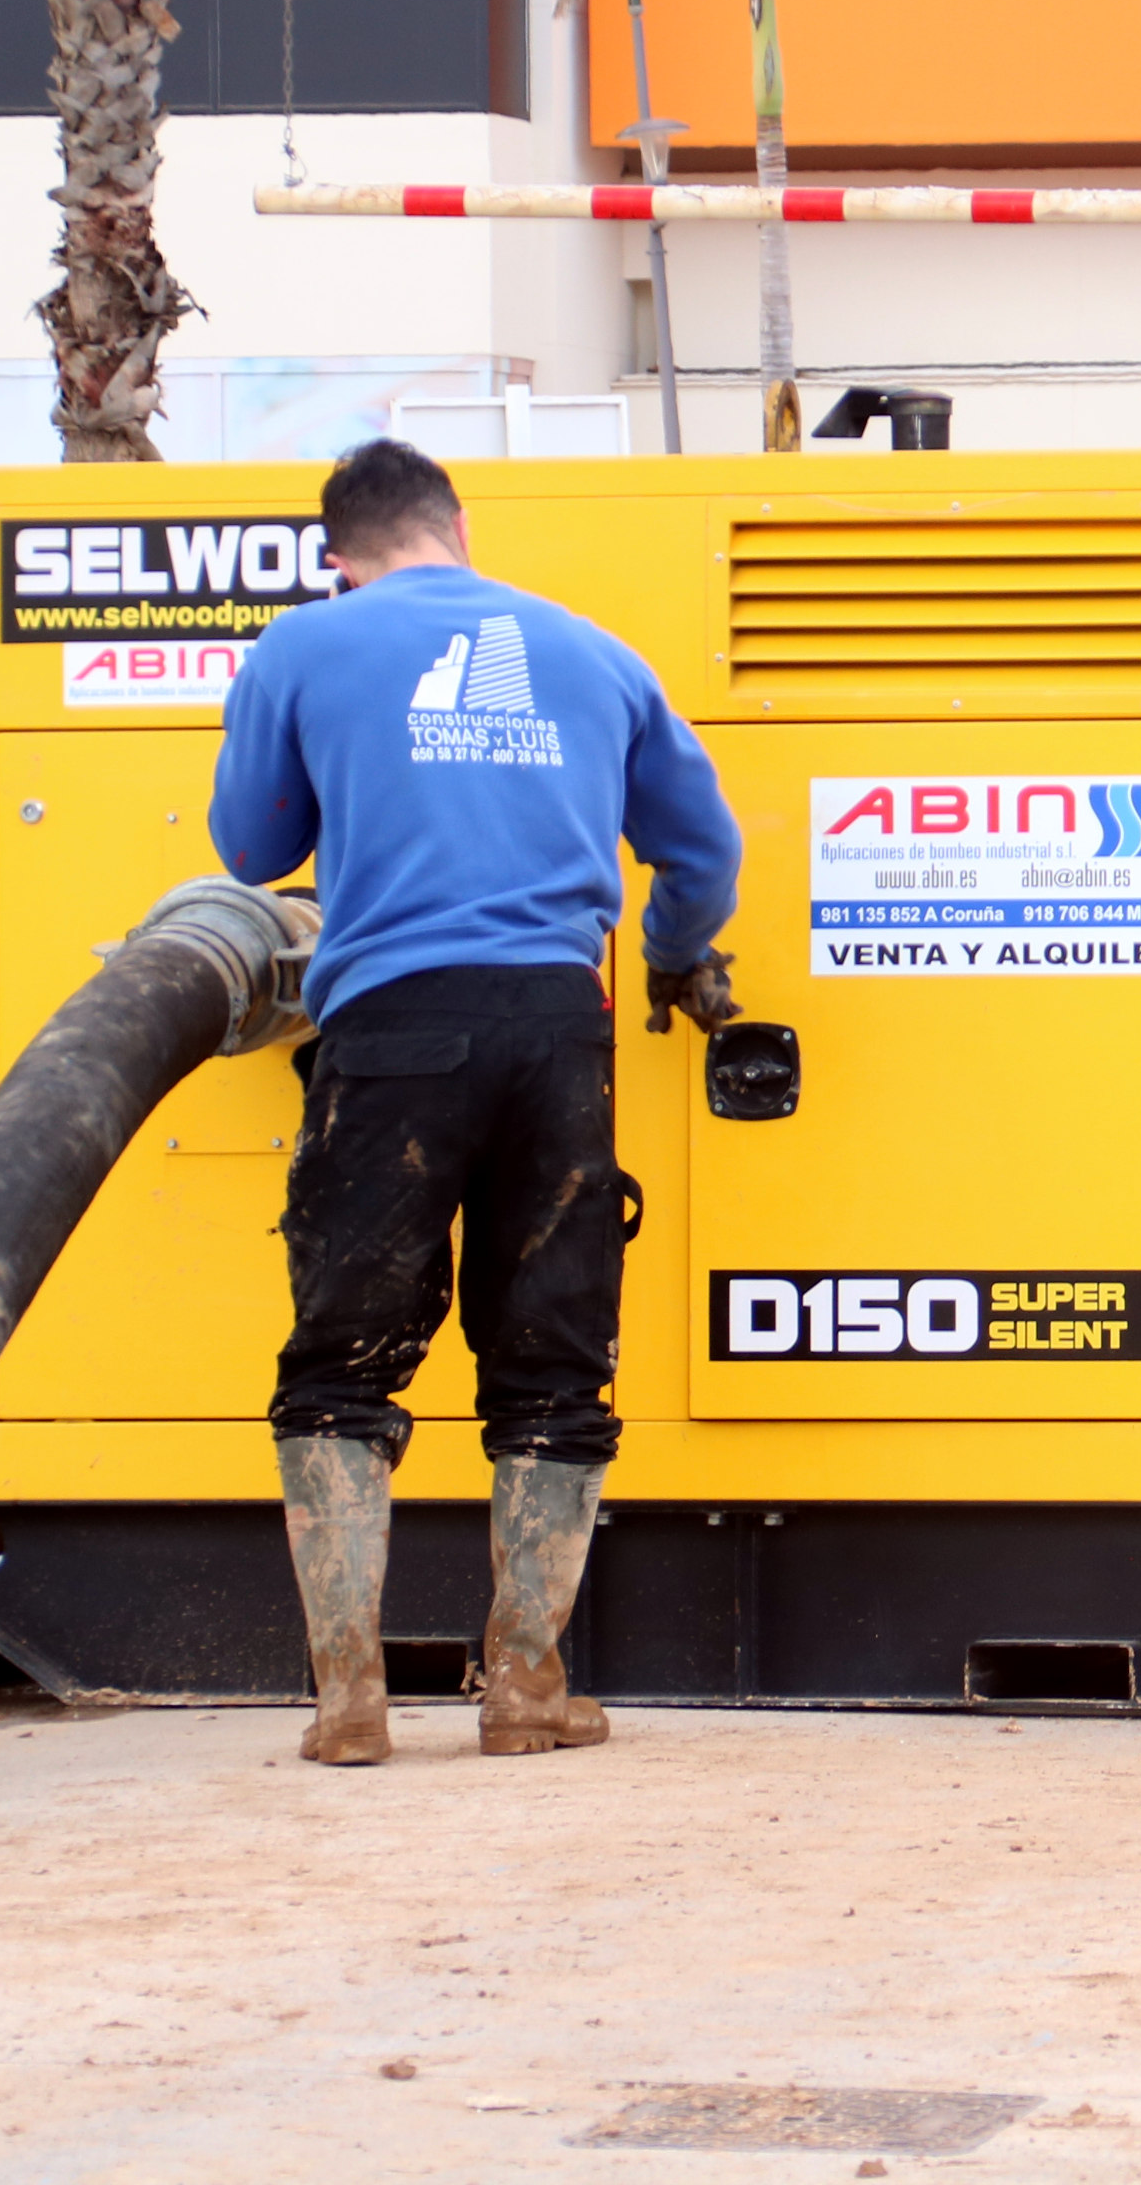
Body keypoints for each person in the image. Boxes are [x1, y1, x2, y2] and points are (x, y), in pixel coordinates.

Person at [209, 439, 746, 1768]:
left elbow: (251, 847)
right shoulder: (594, 653)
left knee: (344, 1360)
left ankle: (347, 1700)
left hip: (389, 1035)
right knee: (552, 1359)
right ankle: (525, 1690)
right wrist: (678, 952)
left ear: (339, 555)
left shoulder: (303, 647)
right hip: (559, 1034)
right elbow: (704, 849)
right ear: (457, 524)